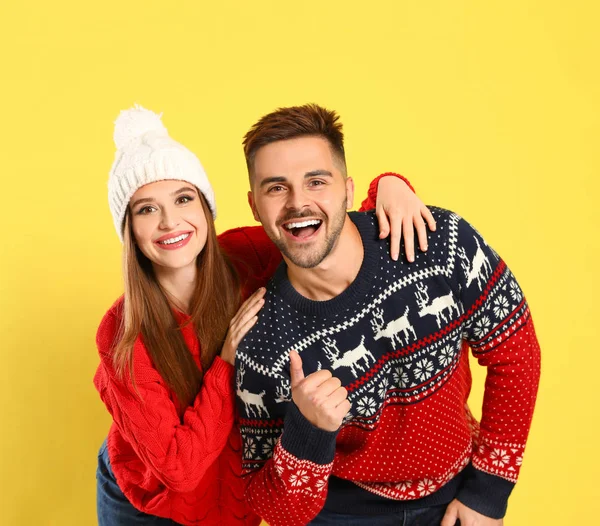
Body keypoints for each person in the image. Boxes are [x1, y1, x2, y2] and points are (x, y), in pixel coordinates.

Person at [93, 105, 434, 525]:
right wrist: (225, 362)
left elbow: (325, 230)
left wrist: (389, 186)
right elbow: (178, 469)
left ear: (205, 208)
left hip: (236, 499)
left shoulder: (248, 255)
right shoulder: (122, 334)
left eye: (183, 199)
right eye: (146, 209)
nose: (170, 221)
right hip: (150, 505)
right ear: (128, 228)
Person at [236, 104, 541, 526]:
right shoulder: (261, 345)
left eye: (316, 181)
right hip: (342, 512)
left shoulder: (438, 243)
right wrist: (307, 430)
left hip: (456, 494)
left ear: (347, 188)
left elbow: (516, 350)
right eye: (276, 188)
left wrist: (489, 491)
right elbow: (274, 509)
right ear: (254, 206)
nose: (298, 202)